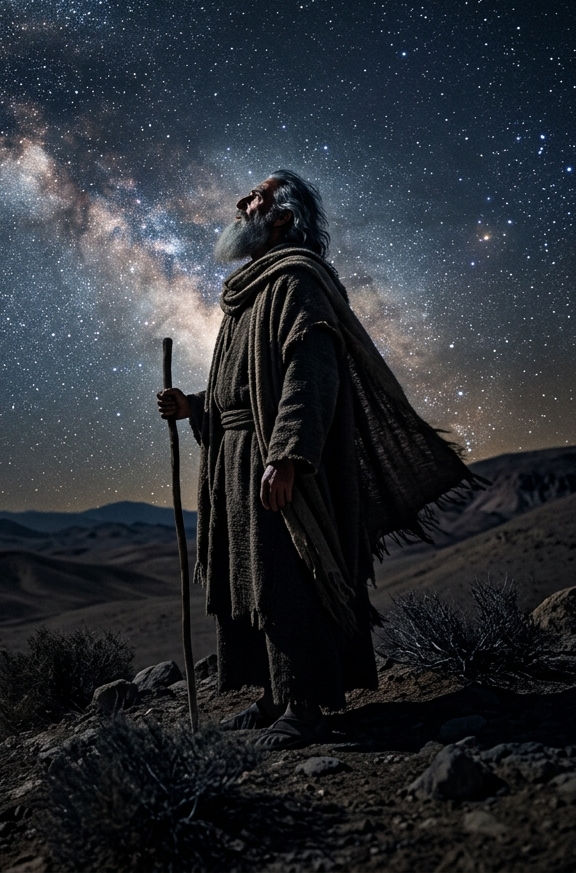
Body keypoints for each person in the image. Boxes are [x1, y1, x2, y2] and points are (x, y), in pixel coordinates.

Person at [157, 170, 477, 748]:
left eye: (256, 196)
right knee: (247, 580)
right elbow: (240, 390)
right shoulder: (246, 293)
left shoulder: (297, 282)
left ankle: (304, 707)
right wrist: (194, 407)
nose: (241, 202)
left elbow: (312, 372)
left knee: (288, 577)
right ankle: (270, 695)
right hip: (233, 458)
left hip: (273, 460)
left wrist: (288, 456)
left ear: (281, 218)